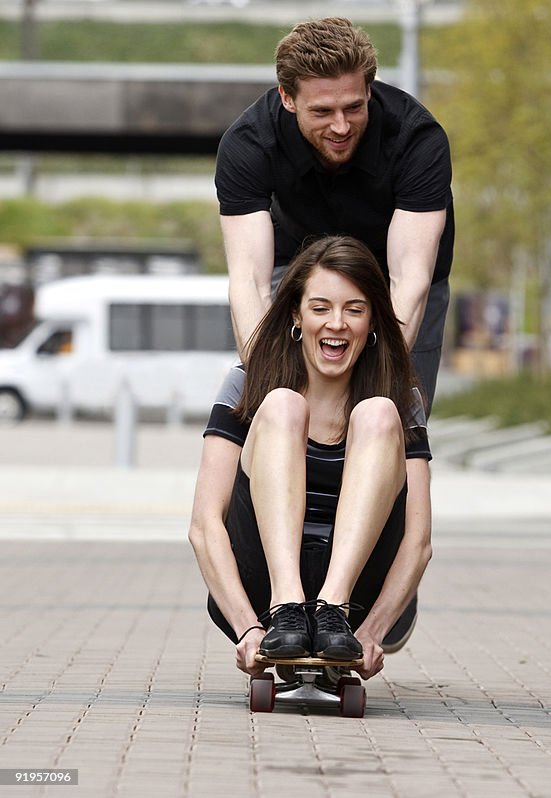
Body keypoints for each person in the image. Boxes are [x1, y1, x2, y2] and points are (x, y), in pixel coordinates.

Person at [188, 236, 432, 681]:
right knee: (283, 404)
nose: (336, 323)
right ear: (297, 316)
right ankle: (288, 608)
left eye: (354, 310)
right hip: (262, 587)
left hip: (354, 596)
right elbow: (205, 525)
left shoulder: (400, 396)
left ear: (373, 319)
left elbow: (417, 542)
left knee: (378, 412)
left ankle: (332, 609)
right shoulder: (249, 384)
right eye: (320, 308)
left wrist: (373, 632)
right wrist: (248, 628)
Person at [216, 16, 454, 411]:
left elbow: (410, 278)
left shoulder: (417, 139)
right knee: (279, 408)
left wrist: (369, 384)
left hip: (393, 276)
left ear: (369, 90)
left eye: (354, 107)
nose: (341, 126)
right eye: (323, 111)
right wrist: (268, 388)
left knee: (392, 417)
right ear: (287, 98)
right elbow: (250, 281)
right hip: (297, 268)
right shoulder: (249, 143)